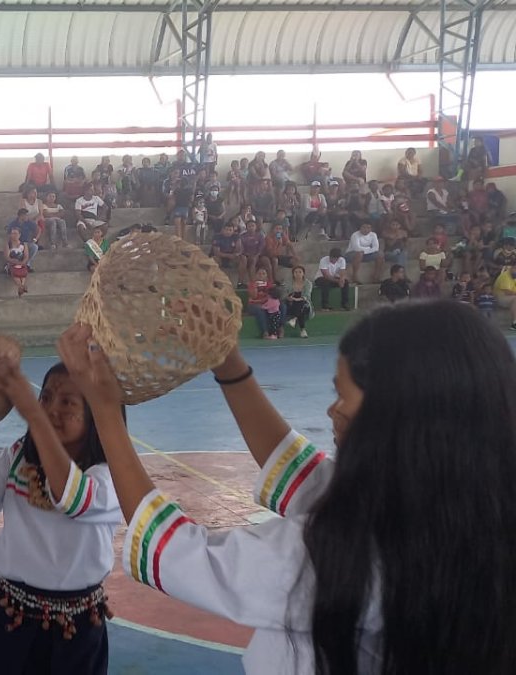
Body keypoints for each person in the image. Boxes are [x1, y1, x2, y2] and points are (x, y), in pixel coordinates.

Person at [53, 299, 516, 675]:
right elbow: (304, 474)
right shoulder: (455, 508)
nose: (332, 411)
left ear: (397, 419)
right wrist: (226, 360)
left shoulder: (334, 556)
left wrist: (105, 411)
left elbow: (176, 553)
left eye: (343, 396)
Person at [0, 359, 121, 675]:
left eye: (67, 402)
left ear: (95, 416)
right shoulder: (18, 457)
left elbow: (73, 499)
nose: (51, 409)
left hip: (74, 633)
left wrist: (34, 417)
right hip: (4, 619)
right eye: (45, 397)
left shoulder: (110, 475)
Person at [210, 223, 245, 288]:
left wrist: (236, 254)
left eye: (230, 230)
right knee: (215, 259)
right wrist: (229, 255)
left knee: (243, 258)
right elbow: (217, 252)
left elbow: (239, 249)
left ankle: (240, 283)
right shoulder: (217, 237)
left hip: (231, 258)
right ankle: (215, 282)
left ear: (233, 231)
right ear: (222, 230)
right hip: (220, 257)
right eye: (226, 229)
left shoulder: (236, 236)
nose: (228, 232)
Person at [283, 266, 313, 338]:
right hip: (291, 303)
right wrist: (288, 297)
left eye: (300, 272)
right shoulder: (288, 282)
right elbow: (284, 293)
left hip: (304, 302)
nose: (298, 274)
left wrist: (298, 299)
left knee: (301, 304)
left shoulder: (308, 283)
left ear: (303, 273)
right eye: (296, 272)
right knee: (299, 308)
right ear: (293, 274)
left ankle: (295, 319)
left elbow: (307, 296)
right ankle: (303, 330)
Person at [6, 228, 31, 297]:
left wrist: (23, 262)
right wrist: (14, 261)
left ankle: (21, 287)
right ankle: (22, 286)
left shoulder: (24, 244)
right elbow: (7, 257)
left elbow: (26, 256)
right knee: (15, 272)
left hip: (21, 263)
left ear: (19, 235)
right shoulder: (8, 244)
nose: (14, 235)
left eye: (15, 233)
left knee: (23, 272)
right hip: (12, 263)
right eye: (12, 233)